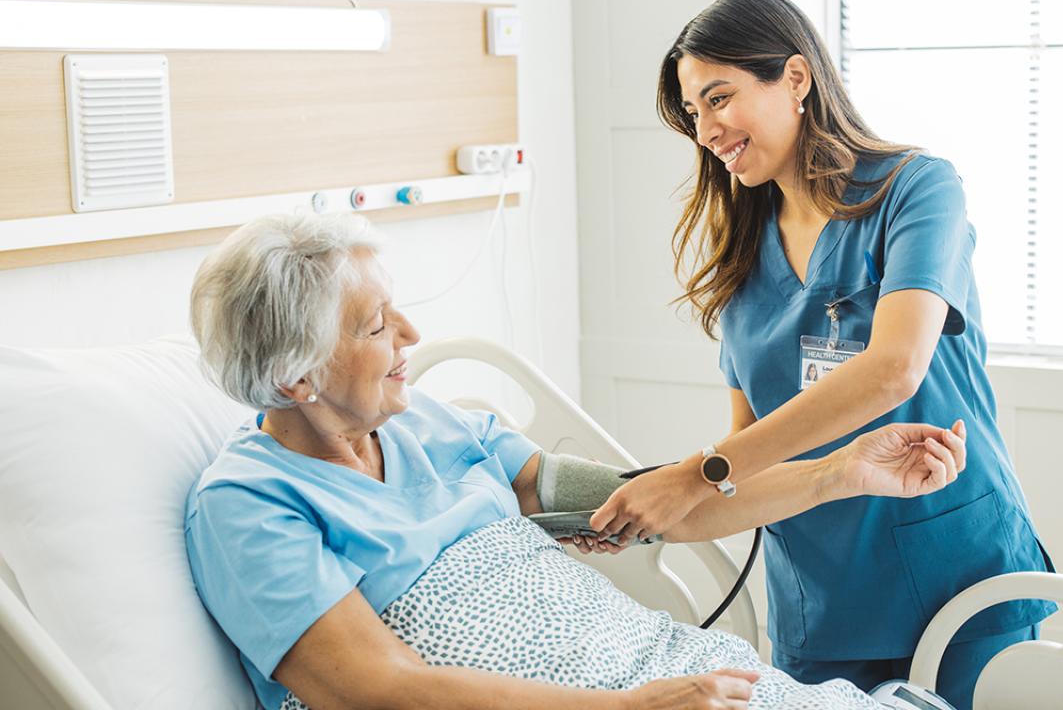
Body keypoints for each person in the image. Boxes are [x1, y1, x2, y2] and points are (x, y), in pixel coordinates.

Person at [183, 213, 967, 710]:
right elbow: (374, 688)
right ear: (298, 373)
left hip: (654, 669)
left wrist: (841, 475)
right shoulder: (251, 506)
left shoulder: (440, 426)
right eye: (378, 326)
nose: (412, 340)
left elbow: (649, 506)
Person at [587, 0, 1055, 708]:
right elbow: (747, 472)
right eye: (692, 113)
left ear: (797, 78)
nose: (706, 128)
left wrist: (696, 473)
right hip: (821, 608)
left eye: (720, 98)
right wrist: (641, 519)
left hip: (958, 582)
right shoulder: (741, 263)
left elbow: (894, 369)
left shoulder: (916, 190)